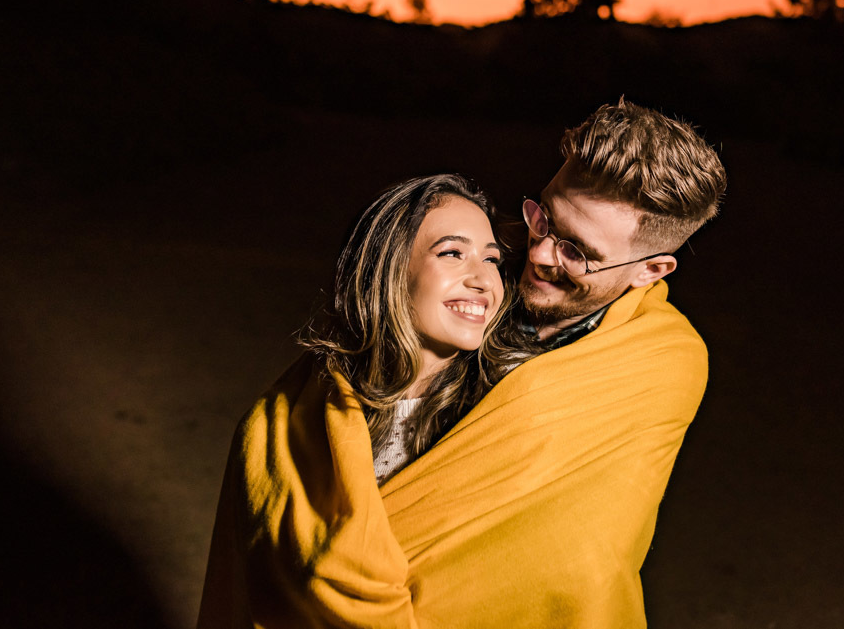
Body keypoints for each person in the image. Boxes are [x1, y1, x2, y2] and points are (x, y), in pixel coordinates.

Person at [199, 99, 726, 628]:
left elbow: (581, 553)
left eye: (577, 252)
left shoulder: (662, 360)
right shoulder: (479, 273)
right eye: (544, 217)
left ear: (650, 270)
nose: (540, 254)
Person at [197, 173, 531, 627]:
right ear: (390, 268)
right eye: (452, 253)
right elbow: (250, 592)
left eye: (492, 260)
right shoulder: (282, 423)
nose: (482, 279)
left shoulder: (507, 408)